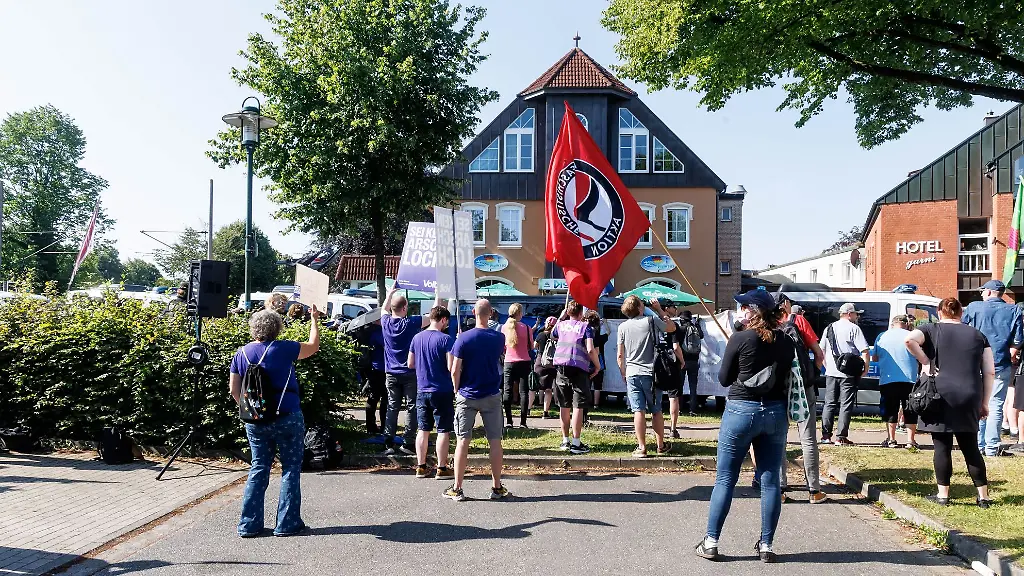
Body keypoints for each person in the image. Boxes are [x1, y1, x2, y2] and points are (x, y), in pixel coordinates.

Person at [696, 290, 795, 563]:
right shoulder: (786, 341)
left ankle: (711, 541)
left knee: (726, 478)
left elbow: (725, 379)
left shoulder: (740, 338)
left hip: (741, 409)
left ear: (753, 311)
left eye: (742, 307)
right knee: (770, 479)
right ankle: (766, 545)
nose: (738, 311)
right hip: (775, 413)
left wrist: (737, 348)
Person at [229, 305, 321, 537]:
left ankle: (249, 525)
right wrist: (314, 320)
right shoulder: (285, 348)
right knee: (290, 468)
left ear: (253, 329)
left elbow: (233, 389)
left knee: (259, 467)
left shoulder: (241, 353)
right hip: (287, 415)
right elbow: (313, 347)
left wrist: (251, 410)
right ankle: (287, 524)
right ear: (277, 328)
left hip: (256, 419)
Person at [905, 298, 994, 508]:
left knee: (942, 446)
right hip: (969, 394)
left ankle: (943, 495)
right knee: (970, 446)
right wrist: (984, 402)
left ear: (939, 312)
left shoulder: (930, 329)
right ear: (961, 313)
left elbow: (909, 340)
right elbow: (989, 371)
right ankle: (983, 497)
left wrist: (925, 361)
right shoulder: (978, 335)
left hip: (939, 394)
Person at [445, 299, 510, 501]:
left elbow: (455, 369)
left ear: (473, 312)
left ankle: (457, 488)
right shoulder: (499, 338)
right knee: (495, 441)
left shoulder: (463, 338)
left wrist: (456, 389)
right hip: (491, 393)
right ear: (490, 313)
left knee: (463, 440)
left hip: (467, 393)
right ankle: (496, 487)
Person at [775, 293, 827, 504]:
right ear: (786, 305)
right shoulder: (798, 320)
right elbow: (819, 353)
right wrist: (810, 375)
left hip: (777, 388)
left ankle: (780, 490)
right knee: (808, 439)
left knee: (778, 439)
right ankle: (814, 490)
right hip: (803, 387)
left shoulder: (767, 323)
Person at [962, 279, 1023, 457]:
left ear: (988, 293)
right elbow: (1018, 340)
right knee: (995, 404)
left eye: (983, 291)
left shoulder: (974, 307)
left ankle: (977, 445)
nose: (981, 293)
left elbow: (964, 332)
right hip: (1000, 363)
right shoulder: (1014, 310)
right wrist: (1011, 352)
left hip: (976, 363)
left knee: (978, 403)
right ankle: (991, 447)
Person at [382, 284, 437, 455]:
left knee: (392, 407)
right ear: (405, 307)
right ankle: (407, 442)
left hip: (391, 372)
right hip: (410, 372)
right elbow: (432, 317)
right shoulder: (411, 323)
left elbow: (383, 309)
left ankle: (388, 442)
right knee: (412, 407)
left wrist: (390, 293)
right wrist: (438, 294)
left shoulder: (385, 322)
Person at [616, 295, 674, 457]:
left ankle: (642, 447)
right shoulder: (651, 321)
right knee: (656, 411)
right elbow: (671, 328)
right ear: (640, 308)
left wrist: (623, 372)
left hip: (632, 373)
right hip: (651, 372)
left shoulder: (622, 327)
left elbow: (620, 355)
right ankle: (660, 445)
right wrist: (659, 310)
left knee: (638, 411)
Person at [407, 306, 455, 480]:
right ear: (443, 319)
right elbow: (451, 367)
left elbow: (410, 363)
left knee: (423, 429)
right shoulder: (446, 339)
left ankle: (420, 466)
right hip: (441, 389)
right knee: (443, 430)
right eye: (446, 322)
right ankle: (442, 468)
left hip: (422, 388)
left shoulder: (417, 337)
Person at [552, 300, 601, 454]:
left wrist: (561, 317)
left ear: (568, 312)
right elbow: (590, 349)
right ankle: (576, 443)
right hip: (578, 368)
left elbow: (553, 335)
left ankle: (565, 440)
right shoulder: (585, 327)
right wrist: (597, 366)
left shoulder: (560, 325)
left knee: (564, 405)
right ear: (581, 313)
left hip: (561, 368)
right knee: (578, 406)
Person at [819, 303, 870, 446]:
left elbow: (821, 350)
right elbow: (865, 351)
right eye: (855, 314)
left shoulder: (829, 328)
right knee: (845, 405)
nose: (856, 316)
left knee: (829, 404)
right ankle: (840, 437)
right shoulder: (854, 329)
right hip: (848, 374)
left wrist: (827, 366)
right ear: (849, 314)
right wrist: (865, 369)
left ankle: (825, 436)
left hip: (831, 373)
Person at [872, 315, 920, 448]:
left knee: (890, 409)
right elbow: (920, 356)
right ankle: (910, 441)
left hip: (888, 379)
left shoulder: (882, 336)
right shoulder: (912, 335)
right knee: (910, 409)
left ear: (892, 324)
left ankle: (891, 439)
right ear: (905, 324)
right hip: (909, 378)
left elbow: (875, 357)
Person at [502, 303, 534, 428]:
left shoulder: (504, 328)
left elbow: (503, 347)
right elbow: (531, 346)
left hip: (509, 362)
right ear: (520, 313)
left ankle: (509, 421)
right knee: (524, 392)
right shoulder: (527, 328)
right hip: (524, 361)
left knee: (507, 391)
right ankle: (523, 422)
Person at [659, 300, 686, 438]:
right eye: (673, 306)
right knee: (673, 397)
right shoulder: (673, 326)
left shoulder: (653, 323)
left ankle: (657, 429)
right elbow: (676, 347)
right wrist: (682, 361)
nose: (676, 308)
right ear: (666, 308)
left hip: (656, 362)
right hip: (671, 363)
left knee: (656, 397)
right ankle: (673, 429)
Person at [361, 320, 387, 435]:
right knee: (385, 399)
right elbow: (388, 346)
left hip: (373, 368)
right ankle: (384, 426)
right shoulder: (380, 333)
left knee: (373, 398)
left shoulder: (370, 332)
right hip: (381, 368)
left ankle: (371, 426)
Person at [678, 309, 705, 415]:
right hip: (694, 361)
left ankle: (679, 408)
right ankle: (693, 409)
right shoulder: (695, 328)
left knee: (679, 386)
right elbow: (702, 336)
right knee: (693, 386)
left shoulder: (681, 329)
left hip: (682, 361)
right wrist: (697, 323)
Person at [533, 316, 558, 418]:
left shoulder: (541, 335)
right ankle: (545, 412)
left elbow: (534, 346)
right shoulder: (558, 336)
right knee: (548, 389)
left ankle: (529, 409)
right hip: (552, 364)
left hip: (540, 362)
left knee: (533, 388)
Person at [585, 310, 608, 410]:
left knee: (586, 385)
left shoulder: (583, 332)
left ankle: (586, 404)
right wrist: (606, 324)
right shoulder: (598, 336)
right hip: (596, 363)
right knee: (597, 386)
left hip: (584, 363)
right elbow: (608, 333)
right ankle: (596, 405)